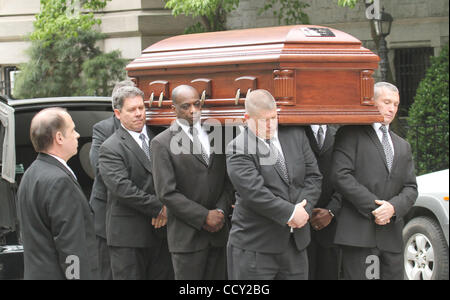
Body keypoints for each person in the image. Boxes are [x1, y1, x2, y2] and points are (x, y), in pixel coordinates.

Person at [226, 89, 322, 280]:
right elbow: (255, 193)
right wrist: (291, 213)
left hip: (295, 244)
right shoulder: (238, 147)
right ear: (247, 118)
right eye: (263, 120)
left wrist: (304, 210)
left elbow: (314, 177)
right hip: (256, 246)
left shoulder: (296, 135)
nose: (270, 125)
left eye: (273, 118)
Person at [331, 82, 418, 280]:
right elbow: (341, 175)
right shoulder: (350, 134)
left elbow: (411, 187)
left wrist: (393, 208)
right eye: (386, 102)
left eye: (395, 104)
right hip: (359, 235)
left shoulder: (402, 145)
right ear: (372, 102)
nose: (392, 108)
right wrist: (376, 208)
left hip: (392, 236)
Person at [151, 85, 233, 280]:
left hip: (219, 234)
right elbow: (166, 193)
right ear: (174, 109)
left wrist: (220, 212)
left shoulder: (218, 134)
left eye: (197, 104)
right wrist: (204, 216)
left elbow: (228, 180)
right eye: (186, 106)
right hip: (187, 238)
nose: (193, 111)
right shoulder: (161, 143)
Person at [98, 86, 173, 280]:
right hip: (129, 239)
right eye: (132, 110)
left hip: (162, 235)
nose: (139, 114)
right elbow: (122, 188)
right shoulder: (110, 147)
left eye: (141, 108)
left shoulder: (160, 138)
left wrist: (167, 206)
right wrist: (159, 207)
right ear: (117, 113)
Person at [17, 107, 98, 280]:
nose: (77, 135)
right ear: (59, 138)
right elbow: (71, 247)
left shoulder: (30, 174)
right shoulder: (60, 181)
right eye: (72, 130)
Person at [89, 80, 134, 280]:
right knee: (108, 271)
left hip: (139, 216)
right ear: (117, 108)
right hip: (107, 213)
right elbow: (100, 168)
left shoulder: (145, 126)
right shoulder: (103, 129)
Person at [305, 124, 342, 280]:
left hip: (332, 225)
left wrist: (332, 210)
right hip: (301, 222)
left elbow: (349, 176)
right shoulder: (296, 132)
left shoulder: (341, 135)